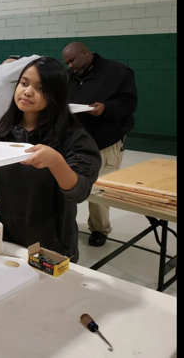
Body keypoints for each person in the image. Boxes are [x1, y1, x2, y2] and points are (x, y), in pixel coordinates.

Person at [0, 56, 101, 263]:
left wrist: (56, 162)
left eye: (40, 88)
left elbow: (80, 191)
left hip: (52, 243)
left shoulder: (73, 137)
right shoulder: (0, 134)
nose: (28, 91)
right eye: (24, 83)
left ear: (56, 94)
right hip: (7, 238)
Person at [62, 41, 138, 247]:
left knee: (99, 188)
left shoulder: (117, 72)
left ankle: (99, 229)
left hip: (106, 139)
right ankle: (67, 224)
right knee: (69, 184)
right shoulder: (69, 76)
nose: (69, 65)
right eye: (67, 62)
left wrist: (105, 108)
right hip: (75, 140)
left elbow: (129, 102)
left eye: (72, 60)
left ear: (85, 53)